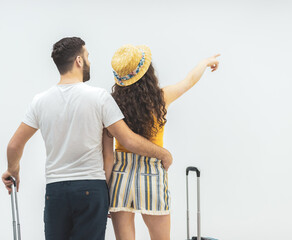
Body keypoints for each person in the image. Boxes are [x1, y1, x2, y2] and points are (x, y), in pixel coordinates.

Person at [1, 37, 173, 240]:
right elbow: (128, 140)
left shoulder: (40, 101)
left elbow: (14, 145)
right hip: (91, 188)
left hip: (55, 190)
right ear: (78, 61)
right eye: (87, 56)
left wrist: (13, 169)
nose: (89, 61)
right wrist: (163, 153)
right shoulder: (99, 98)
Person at [105, 44, 219, 240]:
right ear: (147, 73)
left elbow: (106, 155)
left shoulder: (110, 104)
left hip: (120, 173)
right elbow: (189, 81)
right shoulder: (160, 98)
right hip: (152, 171)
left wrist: (106, 190)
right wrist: (205, 62)